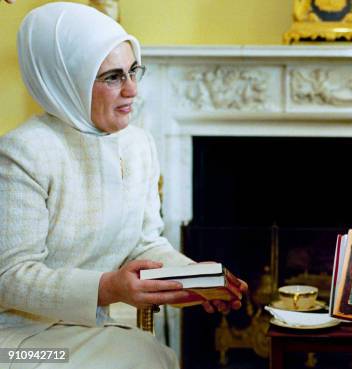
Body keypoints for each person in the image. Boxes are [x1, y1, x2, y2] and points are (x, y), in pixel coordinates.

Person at [0, 3, 247, 368]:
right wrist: (107, 288)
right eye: (112, 77)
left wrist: (193, 279)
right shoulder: (23, 152)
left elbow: (144, 244)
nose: (132, 90)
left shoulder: (139, 144)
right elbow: (10, 278)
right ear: (68, 80)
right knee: (138, 358)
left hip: (93, 329)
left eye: (133, 70)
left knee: (145, 357)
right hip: (22, 343)